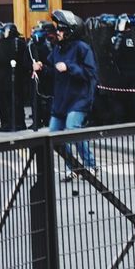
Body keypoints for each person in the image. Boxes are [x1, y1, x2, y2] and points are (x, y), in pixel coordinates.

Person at [35, 10, 98, 180]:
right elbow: (52, 70)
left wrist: (69, 67)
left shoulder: (82, 48)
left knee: (72, 130)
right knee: (55, 136)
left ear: (70, 31)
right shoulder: (57, 49)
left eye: (61, 29)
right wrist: (42, 69)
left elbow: (91, 73)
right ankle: (73, 167)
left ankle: (90, 165)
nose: (58, 33)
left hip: (79, 98)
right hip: (61, 99)